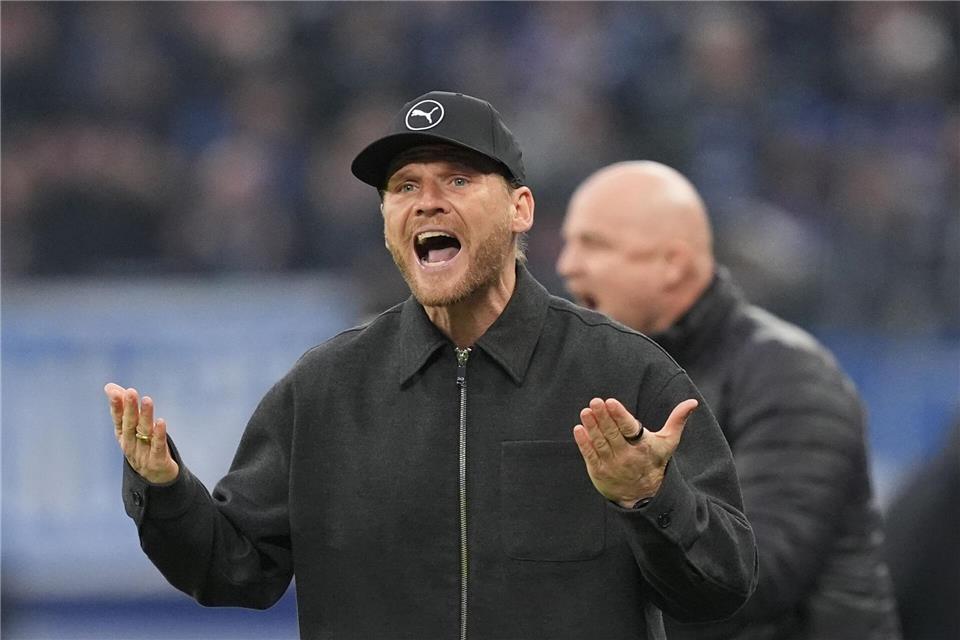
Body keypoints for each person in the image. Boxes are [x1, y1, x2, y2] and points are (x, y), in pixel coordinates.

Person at [104, 92, 757, 640]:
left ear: (520, 208)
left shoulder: (624, 372)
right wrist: (165, 492)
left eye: (459, 180)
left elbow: (721, 588)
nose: (427, 201)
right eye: (404, 187)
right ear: (387, 220)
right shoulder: (326, 392)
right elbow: (233, 571)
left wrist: (651, 497)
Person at [557, 160, 902, 640]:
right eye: (570, 242)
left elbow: (757, 575)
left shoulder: (788, 377)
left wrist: (646, 502)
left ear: (672, 264)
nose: (566, 264)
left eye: (594, 245)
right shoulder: (609, 375)